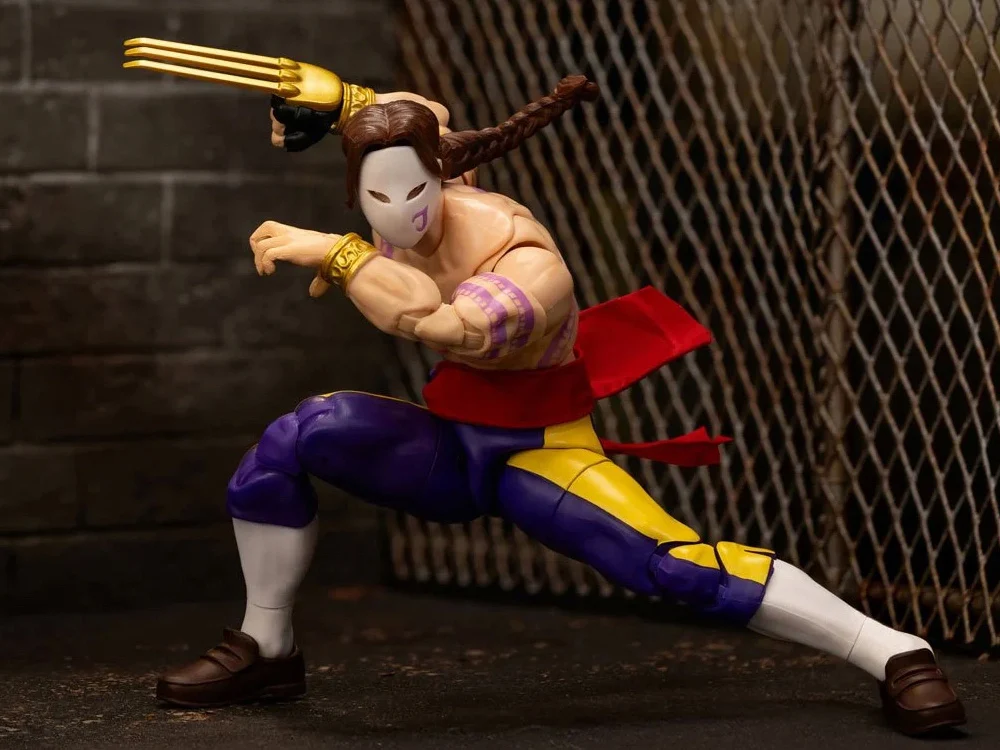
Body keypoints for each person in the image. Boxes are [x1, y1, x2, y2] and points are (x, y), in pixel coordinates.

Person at [155, 76, 965, 736]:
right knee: (299, 435)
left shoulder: (522, 255)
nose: (399, 215)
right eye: (374, 195)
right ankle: (268, 648)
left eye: (413, 191)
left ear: (443, 176)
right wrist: (333, 101)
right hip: (450, 443)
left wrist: (341, 255)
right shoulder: (423, 163)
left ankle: (893, 649)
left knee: (673, 565)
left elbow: (447, 325)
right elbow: (409, 114)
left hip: (540, 449)